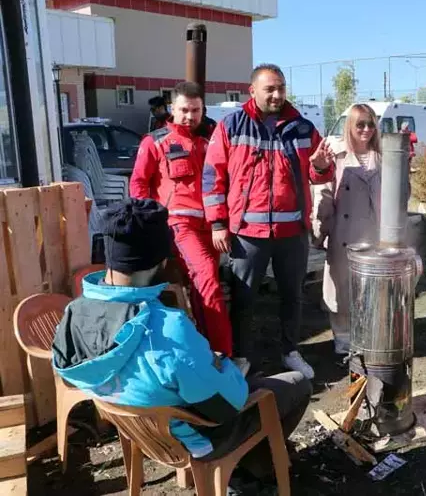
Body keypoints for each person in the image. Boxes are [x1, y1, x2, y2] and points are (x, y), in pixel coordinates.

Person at [52, 199, 312, 492]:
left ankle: (253, 460)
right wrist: (223, 366)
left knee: (227, 379)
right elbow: (227, 405)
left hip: (138, 429)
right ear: (161, 260)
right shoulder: (167, 329)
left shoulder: (74, 314)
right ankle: (256, 468)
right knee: (296, 383)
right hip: (190, 438)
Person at [202, 64, 336, 380]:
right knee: (245, 300)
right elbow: (212, 177)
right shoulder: (231, 127)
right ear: (253, 91)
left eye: (281, 88)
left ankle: (291, 352)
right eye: (270, 89)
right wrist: (218, 223)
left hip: (292, 234)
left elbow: (320, 174)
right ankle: (243, 357)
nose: (277, 95)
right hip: (247, 233)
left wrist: (319, 167)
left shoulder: (303, 129)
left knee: (293, 296)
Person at [129, 82, 240, 371]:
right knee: (208, 282)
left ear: (203, 110)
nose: (189, 116)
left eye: (195, 110)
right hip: (179, 226)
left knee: (203, 290)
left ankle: (204, 350)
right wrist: (150, 225)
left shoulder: (210, 140)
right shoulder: (155, 141)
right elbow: (139, 185)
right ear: (172, 110)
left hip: (212, 226)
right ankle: (223, 356)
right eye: (184, 110)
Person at [312, 104, 382, 357]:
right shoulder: (337, 157)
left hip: (373, 236)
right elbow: (324, 195)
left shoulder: (382, 158)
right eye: (360, 124)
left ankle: (366, 336)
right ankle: (342, 340)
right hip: (344, 233)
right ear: (349, 126)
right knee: (341, 291)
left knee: (369, 291)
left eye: (370, 124)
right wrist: (319, 232)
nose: (366, 129)